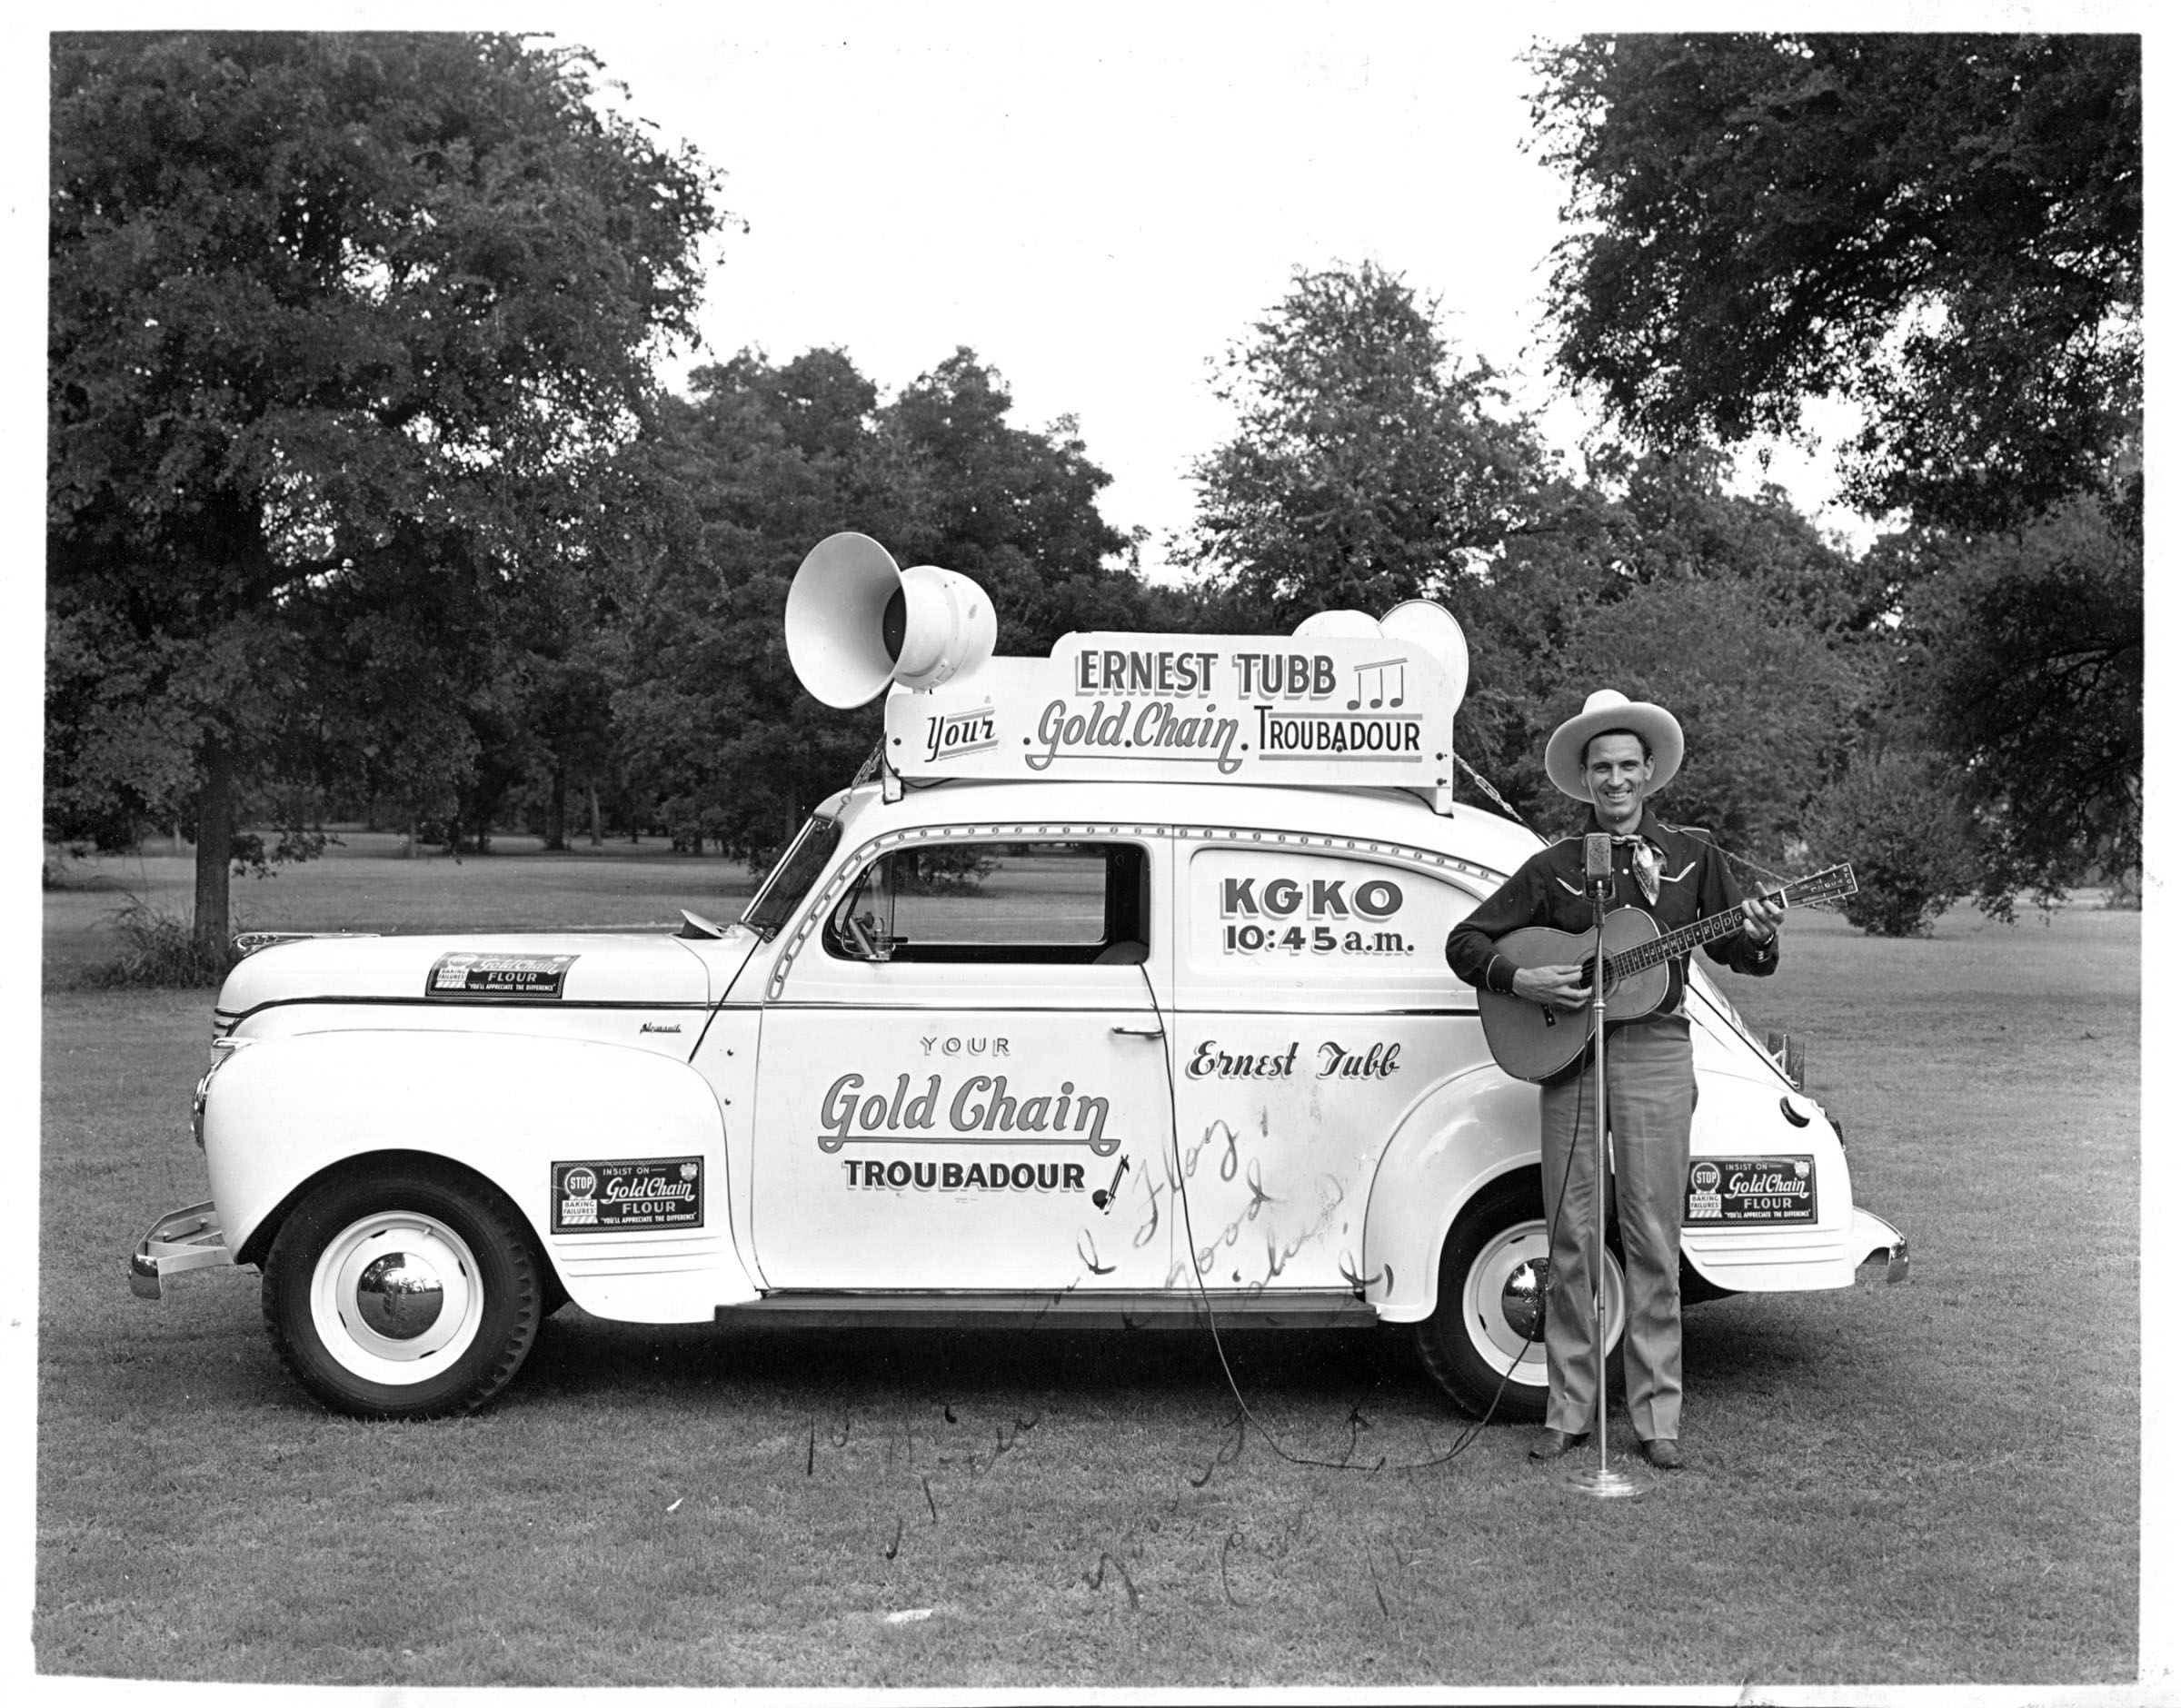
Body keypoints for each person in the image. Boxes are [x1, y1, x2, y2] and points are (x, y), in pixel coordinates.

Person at [1444, 690, 1785, 1471]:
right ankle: (1567, 1407)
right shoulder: (1556, 868)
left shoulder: (1698, 858)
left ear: (1651, 771)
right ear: (1585, 778)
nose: (1617, 780)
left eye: (1629, 765)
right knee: (1569, 1236)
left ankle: (1658, 1416)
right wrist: (1522, 982)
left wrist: (1761, 936)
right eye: (1602, 767)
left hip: (1657, 1052)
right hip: (1571, 1056)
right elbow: (1466, 943)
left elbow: (1742, 953)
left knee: (1653, 1239)